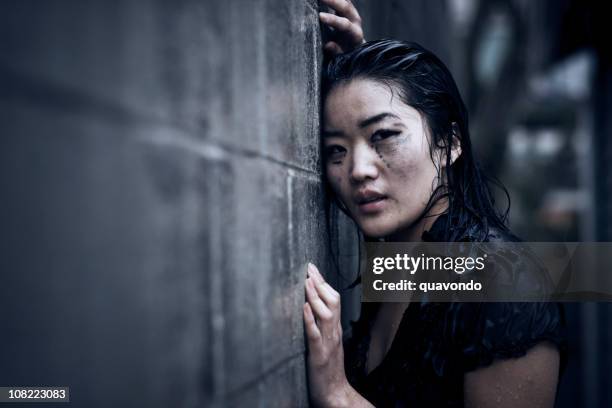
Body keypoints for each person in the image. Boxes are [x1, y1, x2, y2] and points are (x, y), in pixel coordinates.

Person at [303, 1, 566, 407]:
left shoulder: (501, 283)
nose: (357, 170)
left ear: (450, 143)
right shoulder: (401, 264)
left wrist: (339, 396)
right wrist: (358, 71)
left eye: (384, 136)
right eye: (336, 150)